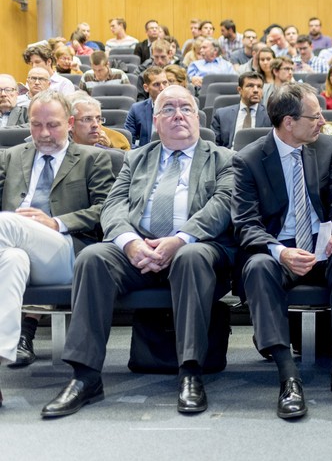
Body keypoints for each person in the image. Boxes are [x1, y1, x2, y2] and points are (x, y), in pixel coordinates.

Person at [42, 86, 236, 418]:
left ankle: (190, 371)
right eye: (169, 109)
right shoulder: (136, 158)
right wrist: (130, 243)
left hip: (197, 250)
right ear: (156, 121)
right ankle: (86, 376)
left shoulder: (223, 158)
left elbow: (222, 207)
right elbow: (113, 206)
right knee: (93, 258)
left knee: (191, 256)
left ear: (198, 118)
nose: (178, 114)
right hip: (139, 250)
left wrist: (180, 240)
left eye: (186, 108)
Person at [232, 83, 332, 418]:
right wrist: (279, 251)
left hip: (322, 244)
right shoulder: (248, 160)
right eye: (315, 116)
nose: (323, 121)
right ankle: (288, 374)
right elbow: (245, 223)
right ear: (289, 122)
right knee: (258, 267)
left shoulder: (325, 148)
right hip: (277, 248)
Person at [0, 91, 113, 384]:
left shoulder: (93, 158)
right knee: (12, 259)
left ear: (70, 123)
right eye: (36, 125)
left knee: (6, 222)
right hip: (14, 249)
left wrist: (56, 222)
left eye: (53, 125)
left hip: (66, 251)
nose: (44, 133)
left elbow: (106, 209)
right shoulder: (12, 156)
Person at [211, 71, 270, 148]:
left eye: (259, 86)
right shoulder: (222, 115)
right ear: (239, 90)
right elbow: (214, 146)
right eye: (250, 86)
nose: (256, 90)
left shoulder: (270, 115)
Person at [124, 66, 170, 148]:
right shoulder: (136, 109)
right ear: (146, 88)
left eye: (165, 83)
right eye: (157, 84)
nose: (162, 88)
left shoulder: (179, 108)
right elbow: (128, 142)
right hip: (146, 155)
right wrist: (144, 152)